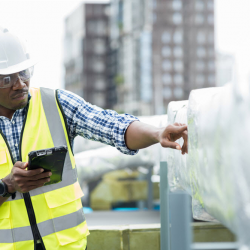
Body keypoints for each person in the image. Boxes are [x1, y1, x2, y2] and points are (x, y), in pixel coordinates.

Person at [0, 28, 188, 250]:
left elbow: (111, 125)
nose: (20, 84)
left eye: (24, 73)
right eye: (7, 79)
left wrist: (156, 133)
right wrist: (8, 185)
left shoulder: (56, 104)